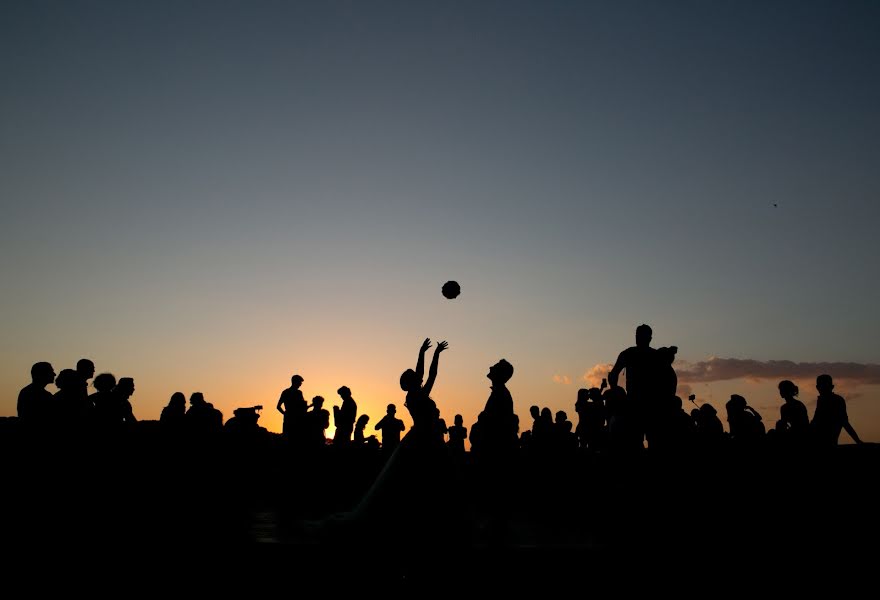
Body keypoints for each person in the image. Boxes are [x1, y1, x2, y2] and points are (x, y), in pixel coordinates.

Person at [811, 374, 862, 446]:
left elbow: (844, 422)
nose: (823, 389)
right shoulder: (822, 401)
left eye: (825, 387)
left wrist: (857, 440)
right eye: (822, 387)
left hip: (824, 441)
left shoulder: (836, 401)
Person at [17, 361, 56, 429]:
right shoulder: (39, 394)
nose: (54, 374)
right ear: (42, 374)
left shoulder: (26, 391)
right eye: (51, 371)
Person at [276, 375, 307, 439]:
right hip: (295, 421)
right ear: (295, 382)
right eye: (300, 382)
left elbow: (278, 407)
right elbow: (278, 406)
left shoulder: (285, 392)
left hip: (290, 419)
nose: (300, 384)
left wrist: (285, 414)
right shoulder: (298, 393)